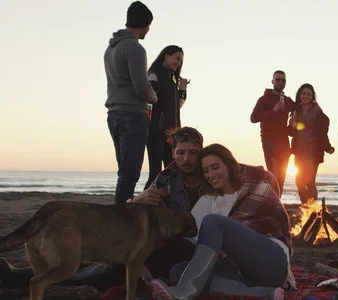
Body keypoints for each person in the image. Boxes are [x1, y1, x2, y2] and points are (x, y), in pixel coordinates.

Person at [0, 127, 205, 291]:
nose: (186, 159)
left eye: (193, 153)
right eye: (181, 153)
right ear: (173, 153)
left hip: (188, 244)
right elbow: (134, 214)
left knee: (107, 270)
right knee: (90, 252)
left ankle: (43, 281)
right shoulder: (166, 178)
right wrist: (137, 199)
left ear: (201, 153)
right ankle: (23, 275)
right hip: (158, 243)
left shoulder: (211, 175)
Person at [149, 144, 293, 300]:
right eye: (206, 171)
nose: (211, 174)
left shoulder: (258, 188)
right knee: (178, 272)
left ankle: (184, 292)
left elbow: (277, 227)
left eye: (215, 167)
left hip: (271, 264)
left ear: (229, 166)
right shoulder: (207, 200)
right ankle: (264, 293)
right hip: (236, 269)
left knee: (214, 222)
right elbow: (193, 238)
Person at [104, 1, 157, 204]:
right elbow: (142, 88)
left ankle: (121, 213)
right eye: (148, 26)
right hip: (133, 115)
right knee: (130, 173)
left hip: (114, 114)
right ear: (145, 24)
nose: (148, 30)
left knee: (124, 172)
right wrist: (154, 97)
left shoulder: (111, 48)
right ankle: (123, 218)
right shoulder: (135, 48)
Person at [143, 45, 191, 190]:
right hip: (157, 131)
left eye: (181, 61)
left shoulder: (171, 80)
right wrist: (150, 123)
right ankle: (144, 202)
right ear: (166, 55)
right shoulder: (155, 74)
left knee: (174, 171)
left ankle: (166, 204)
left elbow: (177, 106)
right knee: (156, 172)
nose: (179, 63)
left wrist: (182, 88)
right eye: (177, 58)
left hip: (173, 134)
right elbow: (148, 99)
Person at [288, 83, 335, 204]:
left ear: (313, 96)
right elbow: (291, 132)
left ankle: (312, 209)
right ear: (299, 95)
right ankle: (307, 207)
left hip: (313, 152)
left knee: (309, 182)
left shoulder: (316, 111)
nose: (306, 96)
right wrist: (292, 125)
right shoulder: (296, 111)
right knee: (299, 182)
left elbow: (323, 130)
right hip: (299, 152)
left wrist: (327, 147)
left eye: (309, 94)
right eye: (303, 93)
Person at [250, 70, 295, 196]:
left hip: (284, 143)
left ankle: (276, 204)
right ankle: (273, 204)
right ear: (272, 81)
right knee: (274, 176)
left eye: (283, 80)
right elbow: (253, 118)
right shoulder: (264, 99)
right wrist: (273, 110)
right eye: (278, 80)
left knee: (281, 178)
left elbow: (299, 107)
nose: (280, 82)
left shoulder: (287, 100)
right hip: (269, 142)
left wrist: (294, 117)